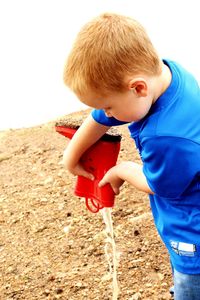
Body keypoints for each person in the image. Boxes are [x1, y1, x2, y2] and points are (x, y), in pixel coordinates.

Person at [62, 13, 200, 299]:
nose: (108, 113)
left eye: (110, 106)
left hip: (192, 236)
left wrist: (121, 169)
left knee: (189, 284)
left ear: (138, 87)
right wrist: (71, 154)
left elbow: (158, 185)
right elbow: (101, 118)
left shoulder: (166, 137)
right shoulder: (165, 72)